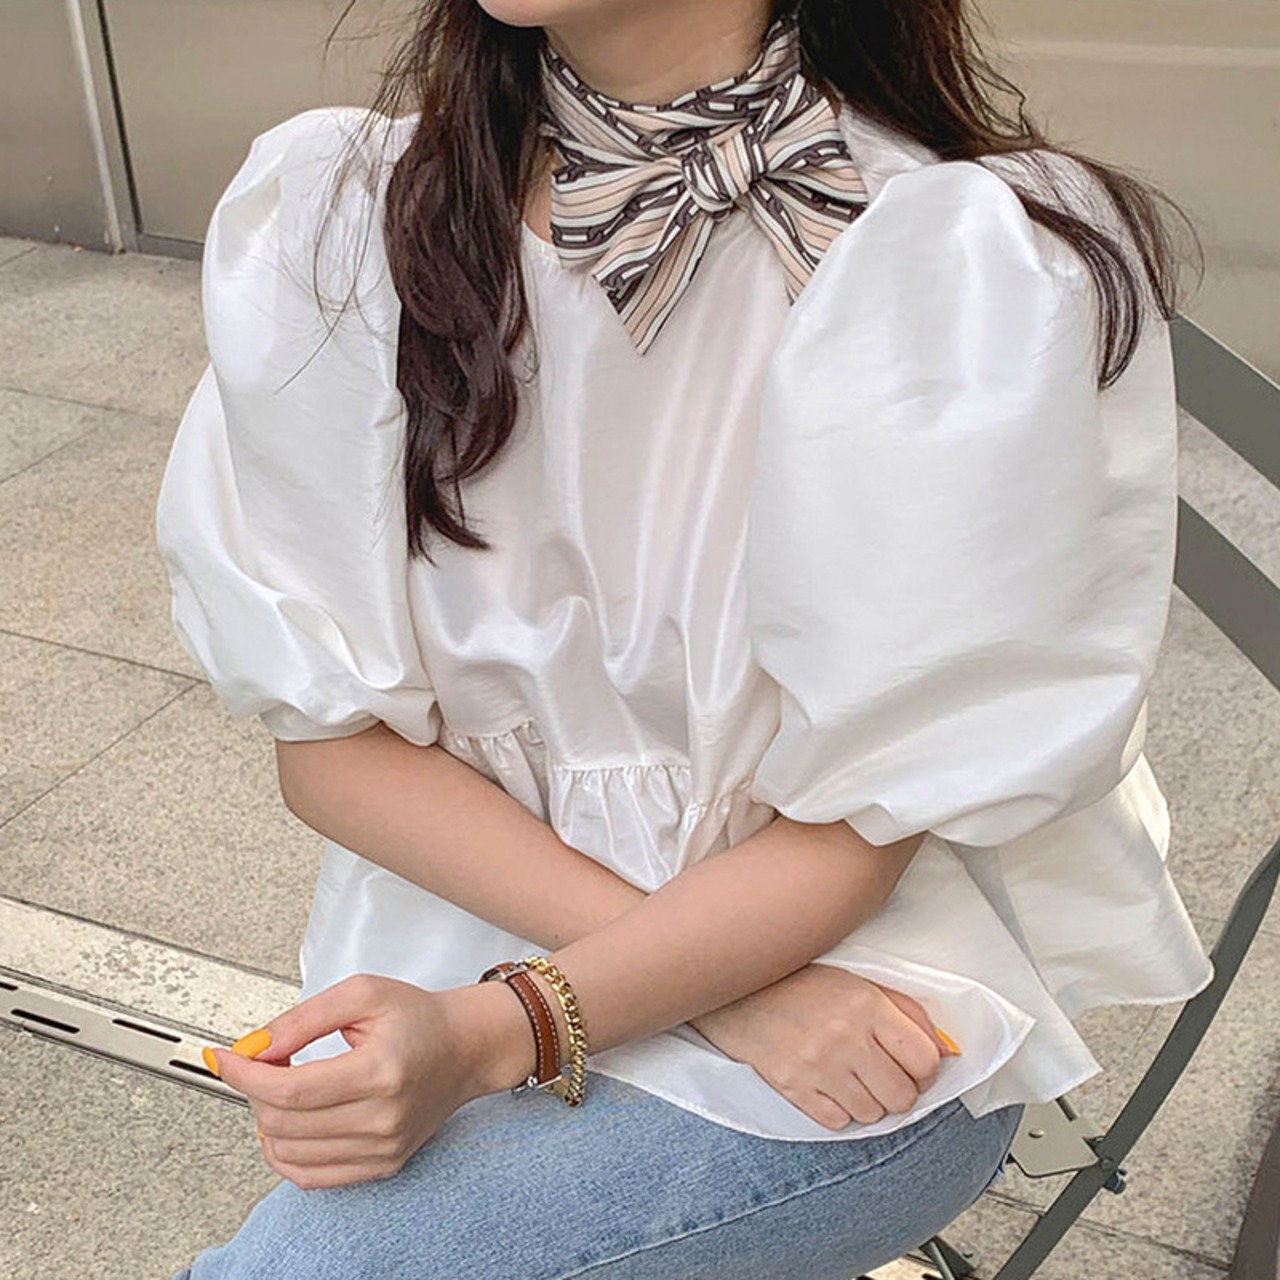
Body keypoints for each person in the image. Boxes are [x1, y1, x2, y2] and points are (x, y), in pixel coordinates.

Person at [156, 1, 1216, 1276]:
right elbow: (332, 749)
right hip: (467, 940)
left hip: (861, 993)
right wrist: (695, 995)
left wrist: (507, 1028)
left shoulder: (952, 263)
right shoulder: (345, 221)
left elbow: (863, 823)